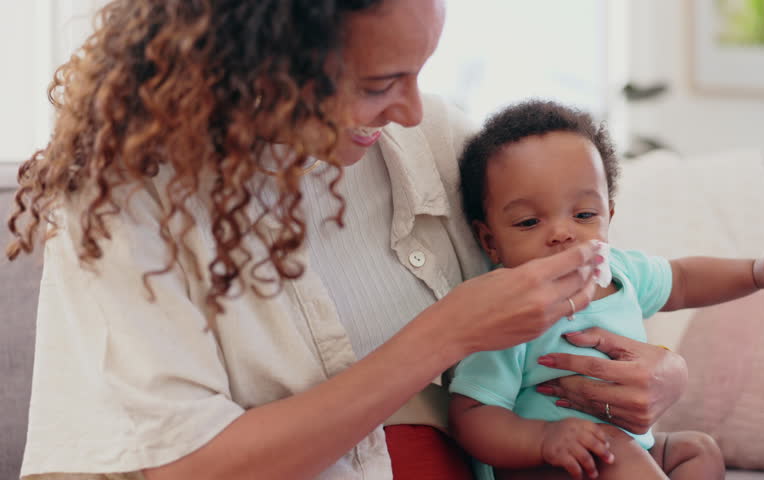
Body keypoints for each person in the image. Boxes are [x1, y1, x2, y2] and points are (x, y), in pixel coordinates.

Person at [6, 1, 689, 479]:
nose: (412, 110)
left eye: (420, 72)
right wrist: (446, 334)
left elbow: (600, 284)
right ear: (258, 67)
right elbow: (193, 465)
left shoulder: (430, 145)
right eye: (379, 84)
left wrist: (661, 376)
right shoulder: (126, 205)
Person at [448, 100, 764, 480]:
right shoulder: (507, 309)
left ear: (609, 215)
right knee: (616, 448)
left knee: (697, 451)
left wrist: (754, 271)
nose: (562, 233)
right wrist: (545, 437)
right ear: (490, 240)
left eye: (583, 215)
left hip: (627, 449)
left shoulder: (622, 273)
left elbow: (684, 280)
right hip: (546, 463)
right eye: (529, 222)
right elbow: (472, 416)